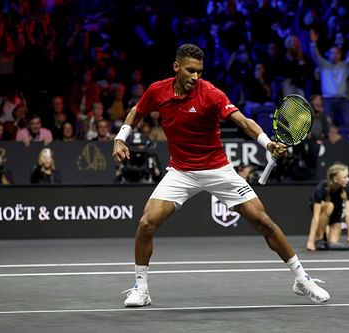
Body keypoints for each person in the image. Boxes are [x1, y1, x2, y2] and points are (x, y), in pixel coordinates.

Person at [112, 44, 330, 307]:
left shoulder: (211, 94)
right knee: (147, 223)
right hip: (181, 171)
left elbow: (243, 121)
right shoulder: (158, 90)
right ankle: (141, 288)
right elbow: (138, 110)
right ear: (176, 67)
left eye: (200, 72)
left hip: (217, 170)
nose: (195, 77)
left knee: (263, 221)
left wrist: (267, 144)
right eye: (191, 71)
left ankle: (302, 279)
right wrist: (120, 137)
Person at [306, 163, 349, 251]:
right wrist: (311, 241)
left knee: (333, 242)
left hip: (336, 213)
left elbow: (348, 212)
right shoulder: (321, 188)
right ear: (335, 179)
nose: (348, 179)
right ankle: (320, 237)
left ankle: (327, 232)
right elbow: (316, 216)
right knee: (329, 206)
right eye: (344, 177)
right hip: (323, 212)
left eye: (347, 176)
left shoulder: (346, 187)